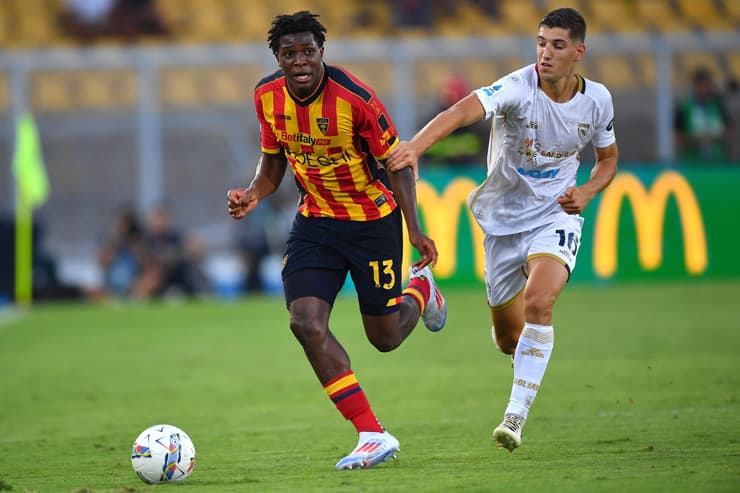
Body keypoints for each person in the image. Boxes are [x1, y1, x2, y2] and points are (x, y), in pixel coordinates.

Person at [388, 7, 618, 452]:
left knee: (540, 300)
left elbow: (608, 160)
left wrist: (587, 192)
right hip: (503, 222)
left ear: (578, 51)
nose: (545, 53)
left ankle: (514, 418)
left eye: (557, 45)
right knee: (508, 339)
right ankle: (449, 304)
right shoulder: (517, 87)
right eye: (540, 42)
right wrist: (416, 146)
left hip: (556, 215)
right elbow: (461, 111)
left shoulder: (599, 100)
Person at [226, 11, 447, 470]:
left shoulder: (357, 99)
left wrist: (414, 228)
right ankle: (371, 433)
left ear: (321, 52)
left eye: (308, 51)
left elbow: (398, 164)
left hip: (372, 223)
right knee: (305, 323)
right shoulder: (266, 97)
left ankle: (421, 289)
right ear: (279, 58)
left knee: (383, 339)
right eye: (290, 53)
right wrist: (252, 194)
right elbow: (272, 166)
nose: (300, 60)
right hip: (316, 224)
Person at [674, 66, 734, 164]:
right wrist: (697, 141)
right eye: (703, 84)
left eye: (708, 84)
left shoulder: (718, 105)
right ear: (696, 85)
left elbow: (729, 131)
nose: (707, 87)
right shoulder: (684, 107)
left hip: (718, 161)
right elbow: (677, 136)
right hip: (692, 163)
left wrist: (717, 138)